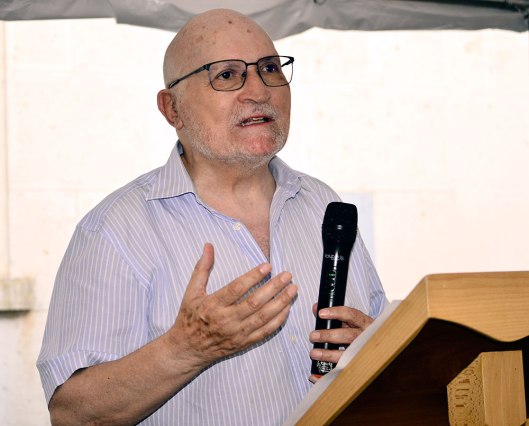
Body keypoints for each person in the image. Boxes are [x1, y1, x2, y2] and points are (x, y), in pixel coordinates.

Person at [37, 8, 387, 426]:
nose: (259, 90)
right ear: (173, 109)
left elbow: (380, 343)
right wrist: (186, 349)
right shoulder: (115, 230)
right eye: (226, 75)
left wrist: (377, 354)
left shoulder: (324, 204)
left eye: (269, 68)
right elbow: (72, 414)